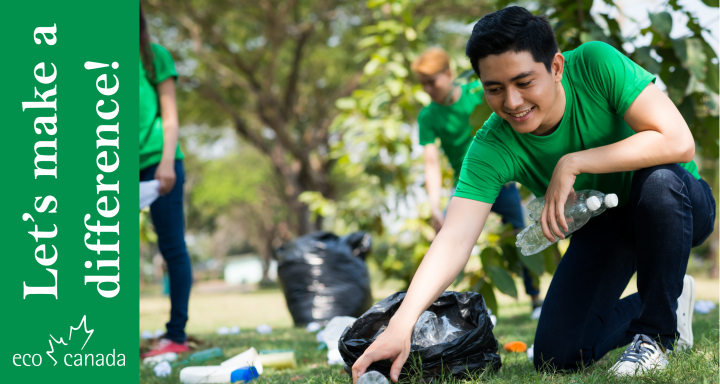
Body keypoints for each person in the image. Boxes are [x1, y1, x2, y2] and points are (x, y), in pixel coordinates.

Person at [352, 6, 714, 382]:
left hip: (677, 206)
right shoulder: (492, 145)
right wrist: (401, 324)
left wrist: (573, 162)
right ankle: (667, 295)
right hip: (606, 226)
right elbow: (455, 238)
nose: (512, 102)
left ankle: (655, 335)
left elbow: (678, 141)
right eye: (494, 89)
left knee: (656, 181)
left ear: (556, 67)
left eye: (524, 82)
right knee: (557, 355)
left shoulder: (594, 64)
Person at [412, 48, 542, 309]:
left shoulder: (478, 94)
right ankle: (434, 306)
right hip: (469, 186)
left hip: (503, 183)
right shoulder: (428, 115)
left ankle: (536, 299)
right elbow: (431, 161)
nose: (427, 89)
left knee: (523, 237)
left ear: (448, 74)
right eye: (423, 84)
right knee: (446, 242)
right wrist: (435, 206)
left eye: (432, 81)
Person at [139, 5, 193, 358]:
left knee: (172, 249)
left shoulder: (153, 56)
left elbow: (169, 117)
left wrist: (166, 163)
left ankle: (175, 335)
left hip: (159, 165)